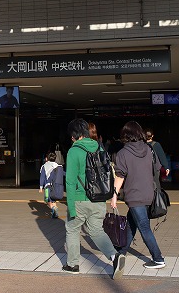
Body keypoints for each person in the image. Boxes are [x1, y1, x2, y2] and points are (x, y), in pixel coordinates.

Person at [62, 118, 117, 275]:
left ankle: (73, 265)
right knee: (97, 231)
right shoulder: (99, 148)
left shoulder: (74, 151)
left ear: (76, 135)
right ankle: (114, 256)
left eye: (71, 136)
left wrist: (71, 207)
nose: (71, 139)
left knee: (72, 229)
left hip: (80, 199)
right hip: (99, 199)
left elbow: (70, 182)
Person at [111, 120, 165, 276]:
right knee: (131, 224)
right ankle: (122, 252)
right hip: (149, 193)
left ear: (125, 135)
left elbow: (120, 176)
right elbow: (157, 168)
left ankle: (158, 258)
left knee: (144, 227)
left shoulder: (122, 153)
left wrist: (114, 195)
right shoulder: (149, 149)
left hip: (134, 195)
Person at [39, 151, 62, 218]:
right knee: (53, 199)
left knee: (47, 199)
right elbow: (62, 173)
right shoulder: (57, 166)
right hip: (56, 186)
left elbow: (42, 177)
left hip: (47, 186)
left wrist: (41, 187)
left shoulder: (44, 166)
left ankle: (53, 209)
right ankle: (54, 209)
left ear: (47, 158)